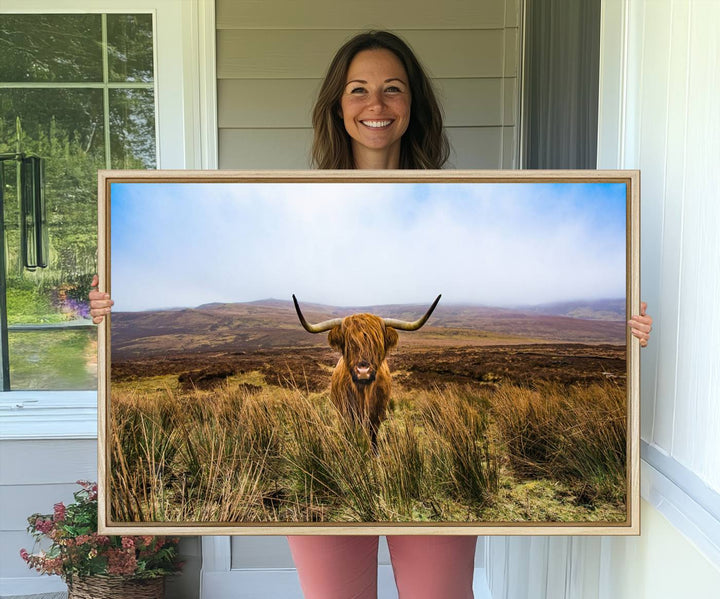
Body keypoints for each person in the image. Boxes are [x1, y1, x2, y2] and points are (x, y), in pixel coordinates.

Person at [90, 30, 653, 599]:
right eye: (358, 90)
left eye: (393, 89)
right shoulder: (292, 201)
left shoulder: (461, 200)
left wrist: (622, 332)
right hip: (329, 474)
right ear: (338, 105)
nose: (376, 104)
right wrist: (110, 312)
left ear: (413, 105)